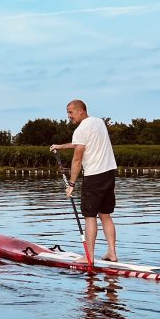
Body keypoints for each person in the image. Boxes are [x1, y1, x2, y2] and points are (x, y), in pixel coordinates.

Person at [51, 99, 118, 264]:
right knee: (105, 215)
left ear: (81, 111)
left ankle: (89, 257)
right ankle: (112, 253)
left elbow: (77, 159)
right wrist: (60, 146)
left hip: (94, 177)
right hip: (109, 173)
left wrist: (71, 184)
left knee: (89, 217)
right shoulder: (99, 123)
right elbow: (80, 143)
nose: (69, 116)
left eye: (70, 112)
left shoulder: (81, 129)